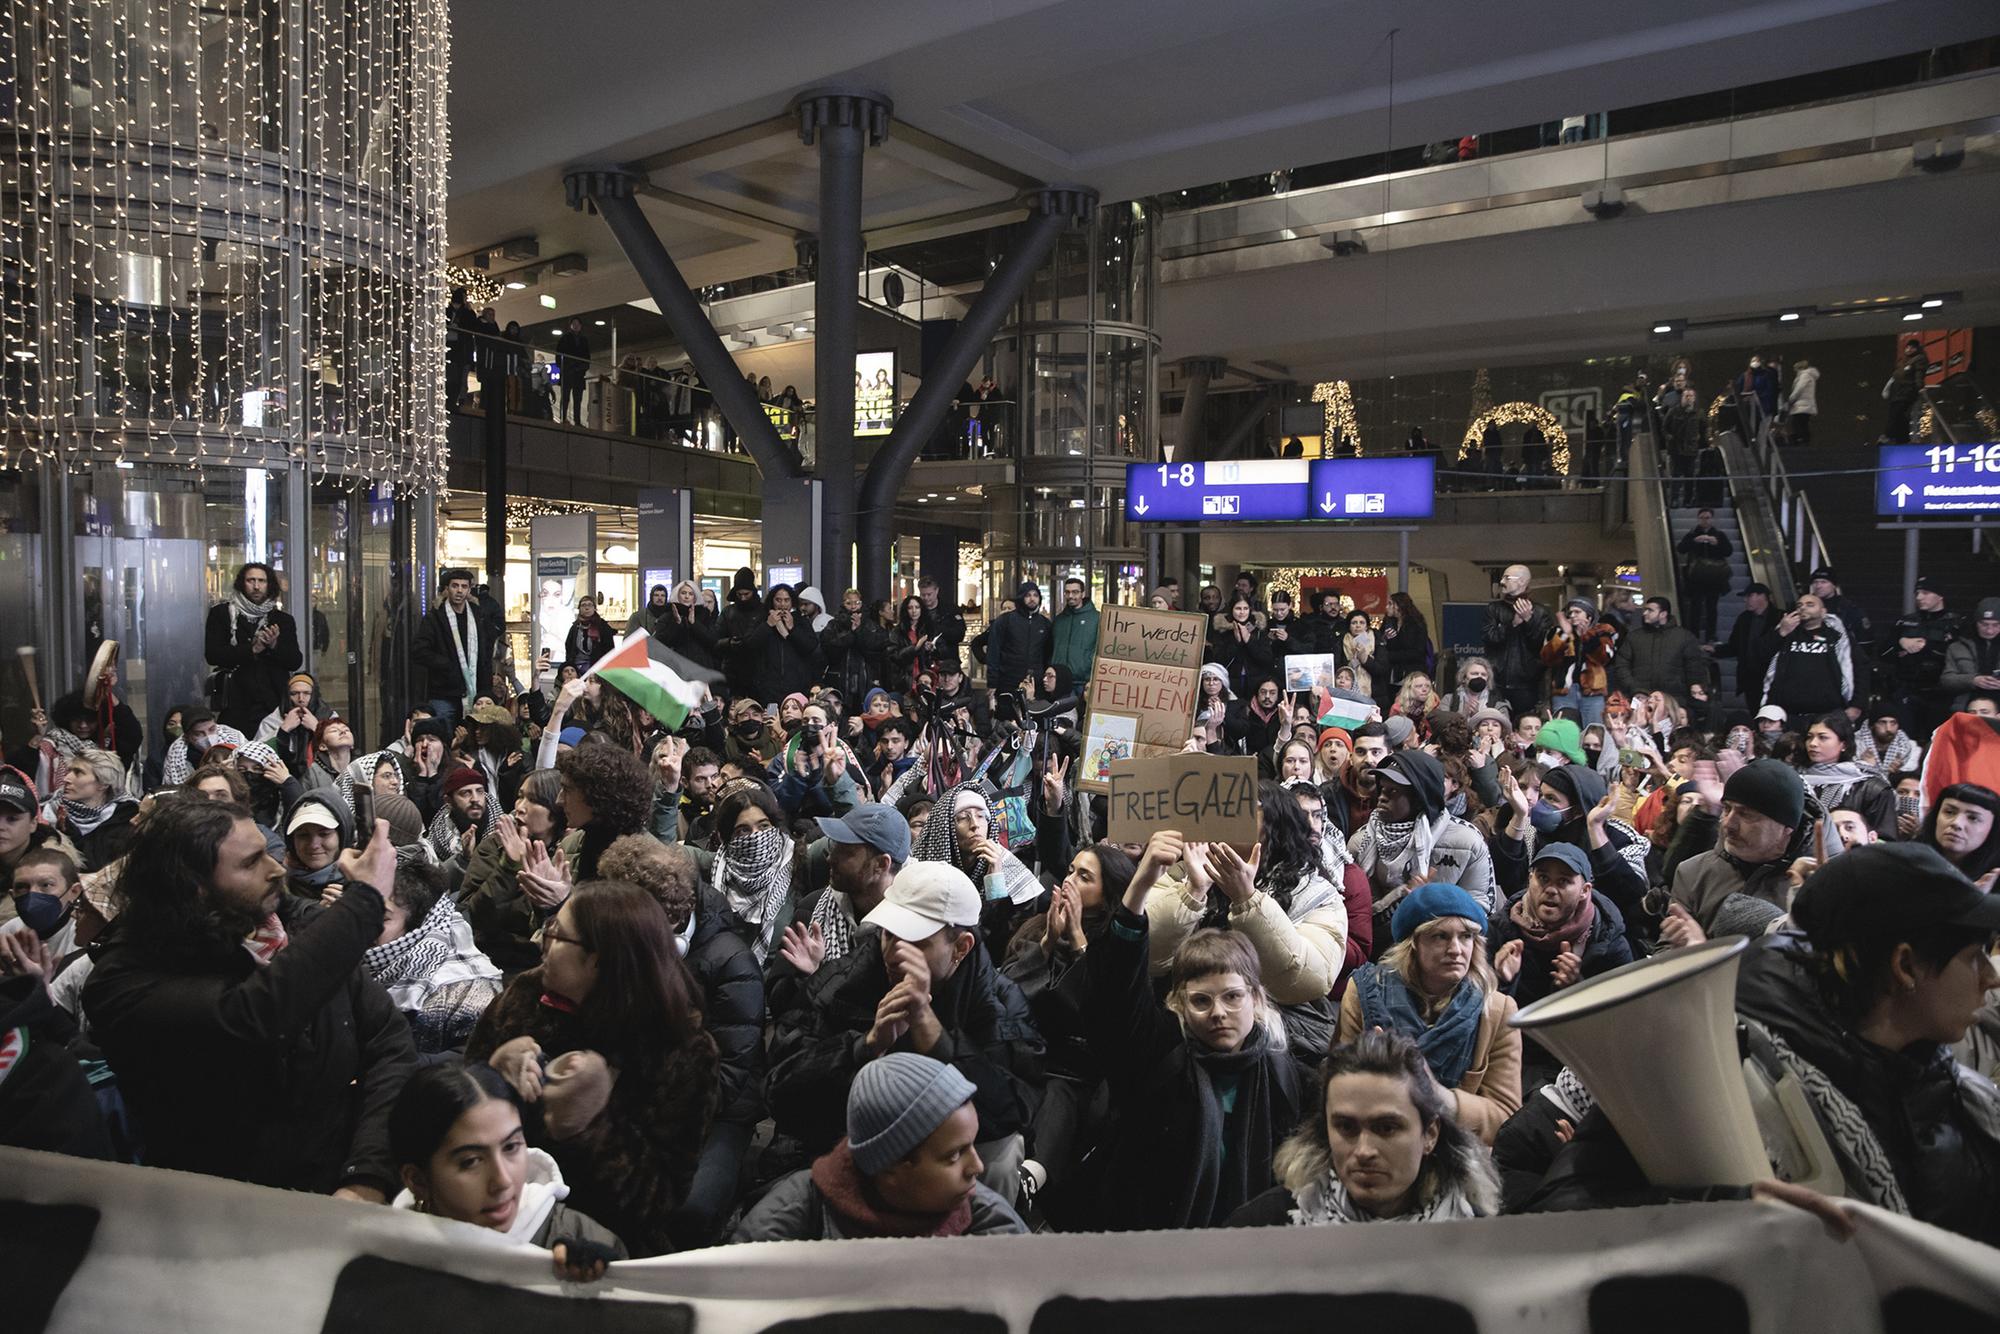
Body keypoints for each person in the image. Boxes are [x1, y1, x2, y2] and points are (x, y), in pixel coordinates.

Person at [84, 798, 415, 1199]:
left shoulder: (295, 932)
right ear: (194, 885)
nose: (276, 869)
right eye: (250, 862)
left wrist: (366, 1176)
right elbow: (253, 1017)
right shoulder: (122, 982)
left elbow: (388, 1046)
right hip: (219, 1213)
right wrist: (364, 900)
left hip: (336, 1194)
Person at [1735, 842, 2000, 1243]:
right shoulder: (1747, 1087)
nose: (1990, 977)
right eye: (1975, 956)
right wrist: (1722, 1206)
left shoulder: (1933, 1074)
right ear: (1906, 966)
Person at [467, 881, 720, 1256]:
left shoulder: (681, 1049)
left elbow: (657, 1201)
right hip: (500, 1205)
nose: (543, 943)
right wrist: (491, 1077)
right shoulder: (526, 998)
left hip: (601, 1241)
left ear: (598, 959)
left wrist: (590, 1127)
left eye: (557, 935)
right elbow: (458, 1107)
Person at [765, 861, 1045, 1191]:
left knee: (1002, 1155)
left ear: (960, 947)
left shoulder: (996, 1002)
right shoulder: (842, 983)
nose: (893, 953)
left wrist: (939, 1043)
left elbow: (1015, 1108)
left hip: (944, 1151)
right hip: (848, 1144)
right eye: (888, 934)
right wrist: (863, 1048)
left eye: (915, 941)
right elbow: (779, 1090)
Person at [1081, 830, 1309, 1230]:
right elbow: (1116, 989)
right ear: (1178, 1004)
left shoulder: (1284, 1072)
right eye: (1202, 1001)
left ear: (1256, 1000)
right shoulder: (1158, 1053)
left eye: (1232, 997)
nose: (1218, 1013)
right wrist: (1141, 885)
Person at [595, 834, 765, 1248]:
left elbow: (728, 1076)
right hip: (641, 1094)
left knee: (690, 1208)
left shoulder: (730, 961)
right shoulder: (624, 950)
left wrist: (645, 1100)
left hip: (717, 1111)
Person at [734, 1051, 1026, 1241]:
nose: (978, 1167)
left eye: (972, 1146)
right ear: (890, 1168)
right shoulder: (786, 1225)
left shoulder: (990, 1223)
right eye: (954, 1155)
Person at [1227, 1029, 1501, 1226]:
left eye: (1386, 1128)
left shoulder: (1478, 1238)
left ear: (1429, 1134)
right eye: (1346, 1127)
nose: (1364, 1151)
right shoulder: (1264, 1227)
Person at [390, 1062, 625, 1278]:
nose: (503, 1181)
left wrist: (605, 1279)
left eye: (511, 1147)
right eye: (471, 1161)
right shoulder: (386, 1259)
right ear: (418, 1181)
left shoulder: (581, 1239)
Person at [1336, 883, 1520, 1143]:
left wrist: (1437, 1096)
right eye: (1440, 936)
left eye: (1466, 936)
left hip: (1457, 1151)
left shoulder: (1497, 1010)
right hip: (1376, 1138)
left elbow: (1506, 1117)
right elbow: (1338, 1086)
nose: (1456, 949)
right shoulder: (1366, 993)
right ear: (1413, 944)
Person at [1348, 750, 1498, 943]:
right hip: (1384, 951)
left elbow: (1481, 911)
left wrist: (1433, 904)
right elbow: (1359, 918)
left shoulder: (1467, 841)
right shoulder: (1361, 842)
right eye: (1382, 790)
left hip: (1450, 950)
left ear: (1420, 797)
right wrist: (1403, 896)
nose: (1382, 798)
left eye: (1393, 792)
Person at [1486, 842, 1632, 1017]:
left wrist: (1577, 989)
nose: (1550, 890)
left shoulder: (1606, 939)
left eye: (1563, 881)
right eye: (1543, 878)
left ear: (1584, 891)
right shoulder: (1501, 930)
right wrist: (1500, 980)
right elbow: (1475, 1009)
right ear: (1530, 879)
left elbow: (1625, 1015)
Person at [1668, 757, 1807, 934]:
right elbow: (1664, 952)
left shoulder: (1810, 882)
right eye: (1726, 809)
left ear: (1786, 829)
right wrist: (1688, 952)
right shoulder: (1692, 872)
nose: (1728, 823)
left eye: (1746, 814)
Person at [204, 563, 304, 735]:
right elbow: (213, 655)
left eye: (262, 581)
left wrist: (273, 646)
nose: (256, 586)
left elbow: (295, 661)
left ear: (269, 584)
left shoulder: (282, 619)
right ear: (242, 583)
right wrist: (252, 650)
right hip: (235, 702)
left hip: (272, 702)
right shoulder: (221, 614)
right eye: (251, 580)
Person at [413, 569, 502, 724]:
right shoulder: (435, 617)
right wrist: (447, 665)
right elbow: (419, 651)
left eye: (464, 586)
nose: (459, 590)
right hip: (444, 692)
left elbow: (486, 651)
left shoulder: (478, 615)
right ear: (447, 589)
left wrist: (487, 687)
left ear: (469, 590)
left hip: (475, 692)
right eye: (455, 586)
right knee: (442, 734)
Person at [1763, 594, 1857, 721]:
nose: (1803, 608)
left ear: (1823, 612)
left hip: (1827, 714)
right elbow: (1758, 657)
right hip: (1788, 714)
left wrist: (1856, 704)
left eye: (1810, 605)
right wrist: (1781, 633)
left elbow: (1858, 667)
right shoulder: (1787, 634)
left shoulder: (1837, 637)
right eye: (1799, 605)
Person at [44, 747, 138, 873]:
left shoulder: (127, 819)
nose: (67, 779)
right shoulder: (49, 812)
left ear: (103, 784)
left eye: (78, 773)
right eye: (69, 771)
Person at [1483, 565, 1552, 718]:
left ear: (1521, 582)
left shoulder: (1540, 612)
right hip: (1497, 680)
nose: (1502, 581)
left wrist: (1529, 621)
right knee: (1494, 722)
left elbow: (1543, 648)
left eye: (1506, 578)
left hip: (1527, 683)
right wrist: (1512, 624)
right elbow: (1489, 638)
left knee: (1525, 725)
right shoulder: (1493, 609)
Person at [1541, 598, 1614, 726]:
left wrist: (1586, 635)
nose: (1573, 615)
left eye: (1577, 612)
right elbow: (1548, 658)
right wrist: (1564, 634)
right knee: (1563, 730)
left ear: (1589, 615)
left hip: (1593, 691)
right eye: (1570, 612)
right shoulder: (1557, 632)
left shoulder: (1602, 631)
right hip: (1564, 691)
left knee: (1594, 730)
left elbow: (1604, 657)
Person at [983, 580, 1054, 705]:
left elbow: (1048, 654)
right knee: (1008, 720)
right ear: (1021, 598)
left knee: (1034, 718)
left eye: (1035, 595)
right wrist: (992, 681)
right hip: (1008, 681)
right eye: (1028, 595)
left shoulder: (1045, 623)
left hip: (1035, 682)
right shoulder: (1005, 621)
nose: (1032, 599)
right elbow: (993, 651)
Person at [1918, 783, 2000, 885]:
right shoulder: (1906, 861)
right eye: (1949, 812)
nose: (1956, 823)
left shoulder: (1995, 879)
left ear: (1993, 828)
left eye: (1973, 818)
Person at [1718, 582, 1781, 711]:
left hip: (1773, 677)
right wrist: (1715, 650)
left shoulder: (1780, 617)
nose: (1745, 600)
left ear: (1762, 596)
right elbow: (1735, 646)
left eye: (1749, 596)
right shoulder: (1744, 619)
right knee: (1754, 711)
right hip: (1750, 678)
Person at [1677, 510, 1733, 645]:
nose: (1705, 521)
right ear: (1698, 519)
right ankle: (1694, 634)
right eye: (1702, 518)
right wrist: (1694, 541)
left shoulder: (1719, 535)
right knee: (1695, 607)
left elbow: (1728, 551)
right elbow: (1681, 549)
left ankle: (1711, 635)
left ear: (1712, 519)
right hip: (1696, 577)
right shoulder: (1692, 534)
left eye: (1707, 518)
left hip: (1714, 578)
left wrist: (1717, 543)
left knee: (1711, 607)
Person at [1942, 598, 2000, 713]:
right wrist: (1973, 680)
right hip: (1966, 706)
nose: (1990, 630)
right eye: (1984, 625)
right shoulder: (1957, 647)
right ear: (1976, 622)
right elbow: (1946, 680)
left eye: (1996, 625)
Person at [1050, 576, 1100, 687]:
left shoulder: (1096, 619)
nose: (1071, 596)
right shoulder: (1059, 620)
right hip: (1059, 682)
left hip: (1084, 682)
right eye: (1067, 592)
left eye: (1075, 592)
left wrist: (1088, 667)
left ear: (1083, 594)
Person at [564, 595, 617, 674]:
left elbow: (609, 649)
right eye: (583, 605)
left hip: (597, 668)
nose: (587, 608)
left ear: (594, 608)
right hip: (577, 667)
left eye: (589, 605)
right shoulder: (575, 627)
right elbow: (569, 647)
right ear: (579, 609)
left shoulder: (602, 627)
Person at [554, 318, 590, 425]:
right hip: (568, 371)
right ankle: (563, 418)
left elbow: (587, 356)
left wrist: (583, 367)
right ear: (571, 326)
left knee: (577, 399)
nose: (576, 326)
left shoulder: (583, 340)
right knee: (565, 397)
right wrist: (564, 367)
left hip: (578, 372)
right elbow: (559, 355)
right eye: (574, 324)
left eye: (577, 324)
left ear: (580, 326)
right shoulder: (565, 338)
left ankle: (577, 420)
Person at [1785, 357, 1820, 446]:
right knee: (1803, 423)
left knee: (1798, 424)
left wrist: (1791, 399)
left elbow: (1799, 389)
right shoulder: (1810, 376)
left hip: (1801, 405)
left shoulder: (1804, 375)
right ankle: (1804, 441)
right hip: (1806, 405)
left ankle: (1801, 441)